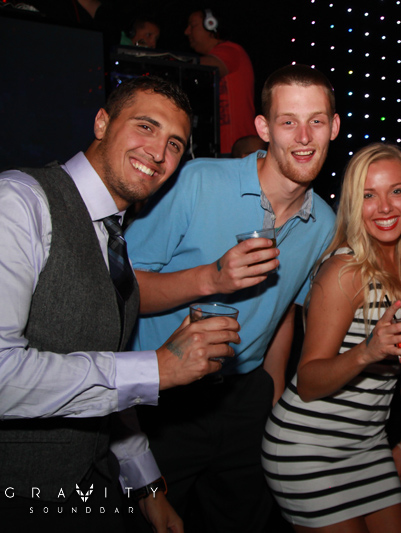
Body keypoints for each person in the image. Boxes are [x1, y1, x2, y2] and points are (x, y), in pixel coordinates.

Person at [0, 76, 239, 531]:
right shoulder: (20, 201)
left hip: (91, 487)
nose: (159, 153)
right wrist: (157, 368)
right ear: (102, 122)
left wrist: (147, 487)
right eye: (145, 127)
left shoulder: (113, 236)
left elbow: (109, 379)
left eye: (174, 144)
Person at [125, 64, 339, 532]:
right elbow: (120, 291)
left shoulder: (324, 223)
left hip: (245, 399)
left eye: (317, 121)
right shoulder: (196, 181)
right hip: (164, 398)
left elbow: (285, 311)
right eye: (288, 121)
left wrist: (272, 395)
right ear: (264, 128)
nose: (304, 137)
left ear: (334, 127)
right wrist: (211, 279)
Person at [263, 143, 401, 532]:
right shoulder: (345, 271)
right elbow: (309, 381)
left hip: (368, 444)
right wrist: (368, 352)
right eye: (368, 195)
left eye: (396, 191)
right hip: (309, 448)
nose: (384, 207)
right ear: (353, 204)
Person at [184, 7, 257, 154]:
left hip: (237, 150)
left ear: (210, 24)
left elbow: (205, 68)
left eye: (193, 25)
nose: (187, 32)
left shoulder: (230, 50)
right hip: (221, 150)